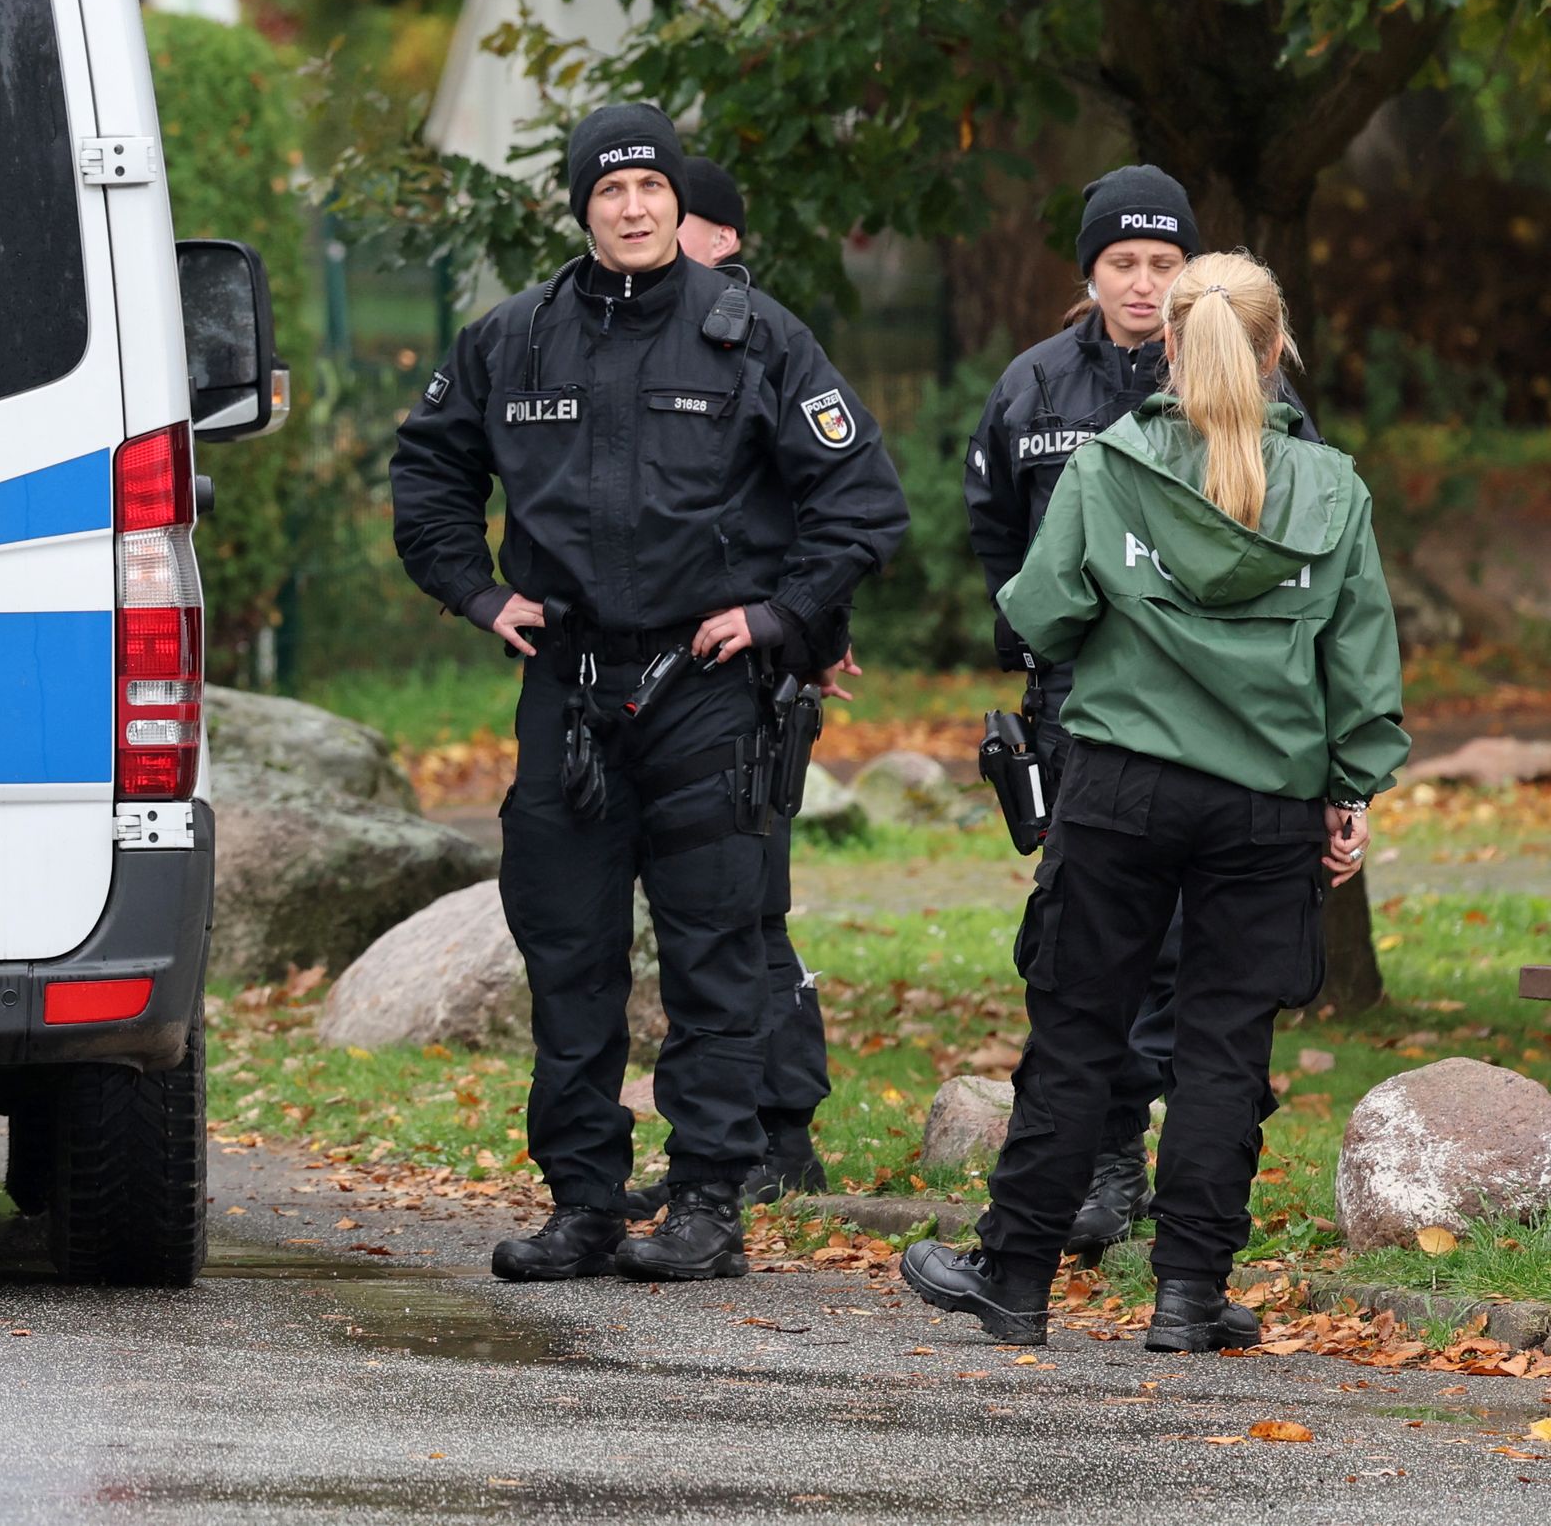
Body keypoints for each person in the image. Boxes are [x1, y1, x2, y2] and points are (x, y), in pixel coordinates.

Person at [393, 106, 910, 1283]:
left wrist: (779, 616)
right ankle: (581, 1201)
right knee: (567, 955)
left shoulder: (757, 336)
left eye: (650, 186)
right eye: (609, 187)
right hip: (566, 690)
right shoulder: (510, 340)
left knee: (714, 955)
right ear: (578, 206)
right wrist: (476, 593)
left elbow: (860, 501)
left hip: (705, 693)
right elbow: (426, 468)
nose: (632, 205)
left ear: (680, 203)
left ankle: (706, 1203)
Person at [905, 253, 1402, 1352]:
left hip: (1121, 783)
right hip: (1266, 800)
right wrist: (1348, 788)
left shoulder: (1110, 465)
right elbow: (1361, 672)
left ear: (1169, 345)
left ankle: (1017, 1275)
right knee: (1224, 1044)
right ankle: (1185, 1293)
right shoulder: (1331, 487)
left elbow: (1039, 612)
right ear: (1277, 351)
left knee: (1077, 1029)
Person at [960, 166, 1307, 1259]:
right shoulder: (1032, 387)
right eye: (1123, 261)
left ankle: (1187, 1184)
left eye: (1164, 262)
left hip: (1218, 718)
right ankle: (1103, 1162)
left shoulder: (1256, 391)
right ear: (1090, 270)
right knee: (1081, 947)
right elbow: (996, 540)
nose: (1144, 281)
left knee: (1196, 958)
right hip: (1079, 708)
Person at [654, 155, 835, 1207]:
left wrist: (808, 630)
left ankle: (784, 1131)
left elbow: (824, 501)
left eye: (676, 219)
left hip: (751, 678)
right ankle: (759, 1126)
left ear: (717, 235)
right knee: (736, 910)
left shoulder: (755, 337)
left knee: (748, 910)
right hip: (702, 676)